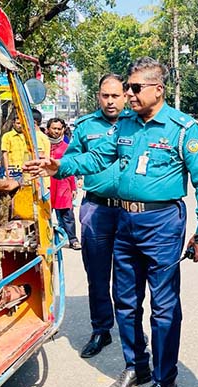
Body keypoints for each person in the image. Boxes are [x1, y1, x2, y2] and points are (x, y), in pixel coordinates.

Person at [24, 56, 198, 387]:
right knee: (125, 300)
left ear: (158, 89)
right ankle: (136, 365)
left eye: (136, 88)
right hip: (125, 222)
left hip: (162, 223)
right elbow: (97, 158)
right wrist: (60, 166)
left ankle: (164, 378)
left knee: (164, 306)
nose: (129, 94)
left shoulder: (183, 129)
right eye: (128, 87)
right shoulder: (125, 124)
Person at [63, 73, 129, 358]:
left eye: (116, 95)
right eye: (105, 95)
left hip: (130, 210)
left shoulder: (137, 124)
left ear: (126, 96)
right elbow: (70, 158)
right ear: (98, 96)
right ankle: (101, 330)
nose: (110, 101)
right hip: (97, 209)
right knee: (98, 275)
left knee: (129, 277)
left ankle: (131, 333)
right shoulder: (86, 126)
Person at [46, 117, 80, 250]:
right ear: (48, 129)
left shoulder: (67, 147)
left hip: (63, 185)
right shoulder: (42, 144)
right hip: (47, 184)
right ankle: (48, 243)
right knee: (45, 214)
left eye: (59, 129)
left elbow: (71, 168)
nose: (56, 131)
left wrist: (73, 187)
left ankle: (73, 240)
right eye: (53, 128)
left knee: (67, 214)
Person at [1, 114, 50, 181]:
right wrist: (8, 173)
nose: (20, 126)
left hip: (26, 171)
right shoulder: (7, 136)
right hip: (13, 171)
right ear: (13, 123)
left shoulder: (29, 136)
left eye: (22, 123)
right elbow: (5, 155)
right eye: (18, 123)